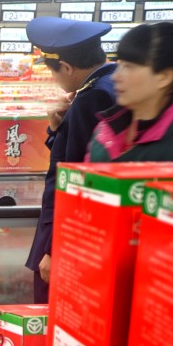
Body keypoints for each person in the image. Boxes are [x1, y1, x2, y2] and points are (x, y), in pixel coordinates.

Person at [24, 17, 116, 304]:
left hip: (73, 241)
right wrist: (57, 129)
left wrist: (53, 248)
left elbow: (73, 180)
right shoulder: (110, 85)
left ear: (66, 67)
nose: (55, 80)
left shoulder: (92, 98)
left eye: (53, 72)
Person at [88, 22, 173, 163]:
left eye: (129, 67)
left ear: (164, 77)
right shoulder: (105, 129)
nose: (115, 77)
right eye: (120, 65)